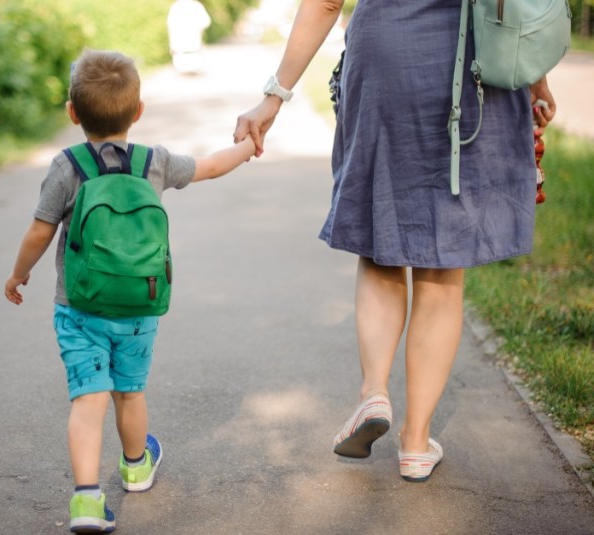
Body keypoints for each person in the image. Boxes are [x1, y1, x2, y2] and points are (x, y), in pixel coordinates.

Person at [234, 0, 557, 483]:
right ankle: (415, 442)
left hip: (386, 57)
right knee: (443, 265)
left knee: (382, 241)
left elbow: (325, 3)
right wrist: (537, 82)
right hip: (476, 59)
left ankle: (374, 393)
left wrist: (274, 95)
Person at [4, 49, 255, 533]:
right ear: (138, 112)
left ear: (72, 113)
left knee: (88, 400)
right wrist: (247, 146)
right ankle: (137, 466)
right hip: (140, 306)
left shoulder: (67, 165)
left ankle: (86, 502)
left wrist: (19, 274)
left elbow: (40, 231)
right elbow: (211, 167)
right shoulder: (153, 162)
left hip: (79, 308)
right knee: (130, 393)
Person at [167, 0, 212, 74]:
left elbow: (170, 26)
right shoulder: (196, 6)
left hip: (180, 49)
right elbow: (206, 22)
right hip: (194, 47)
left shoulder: (175, 7)